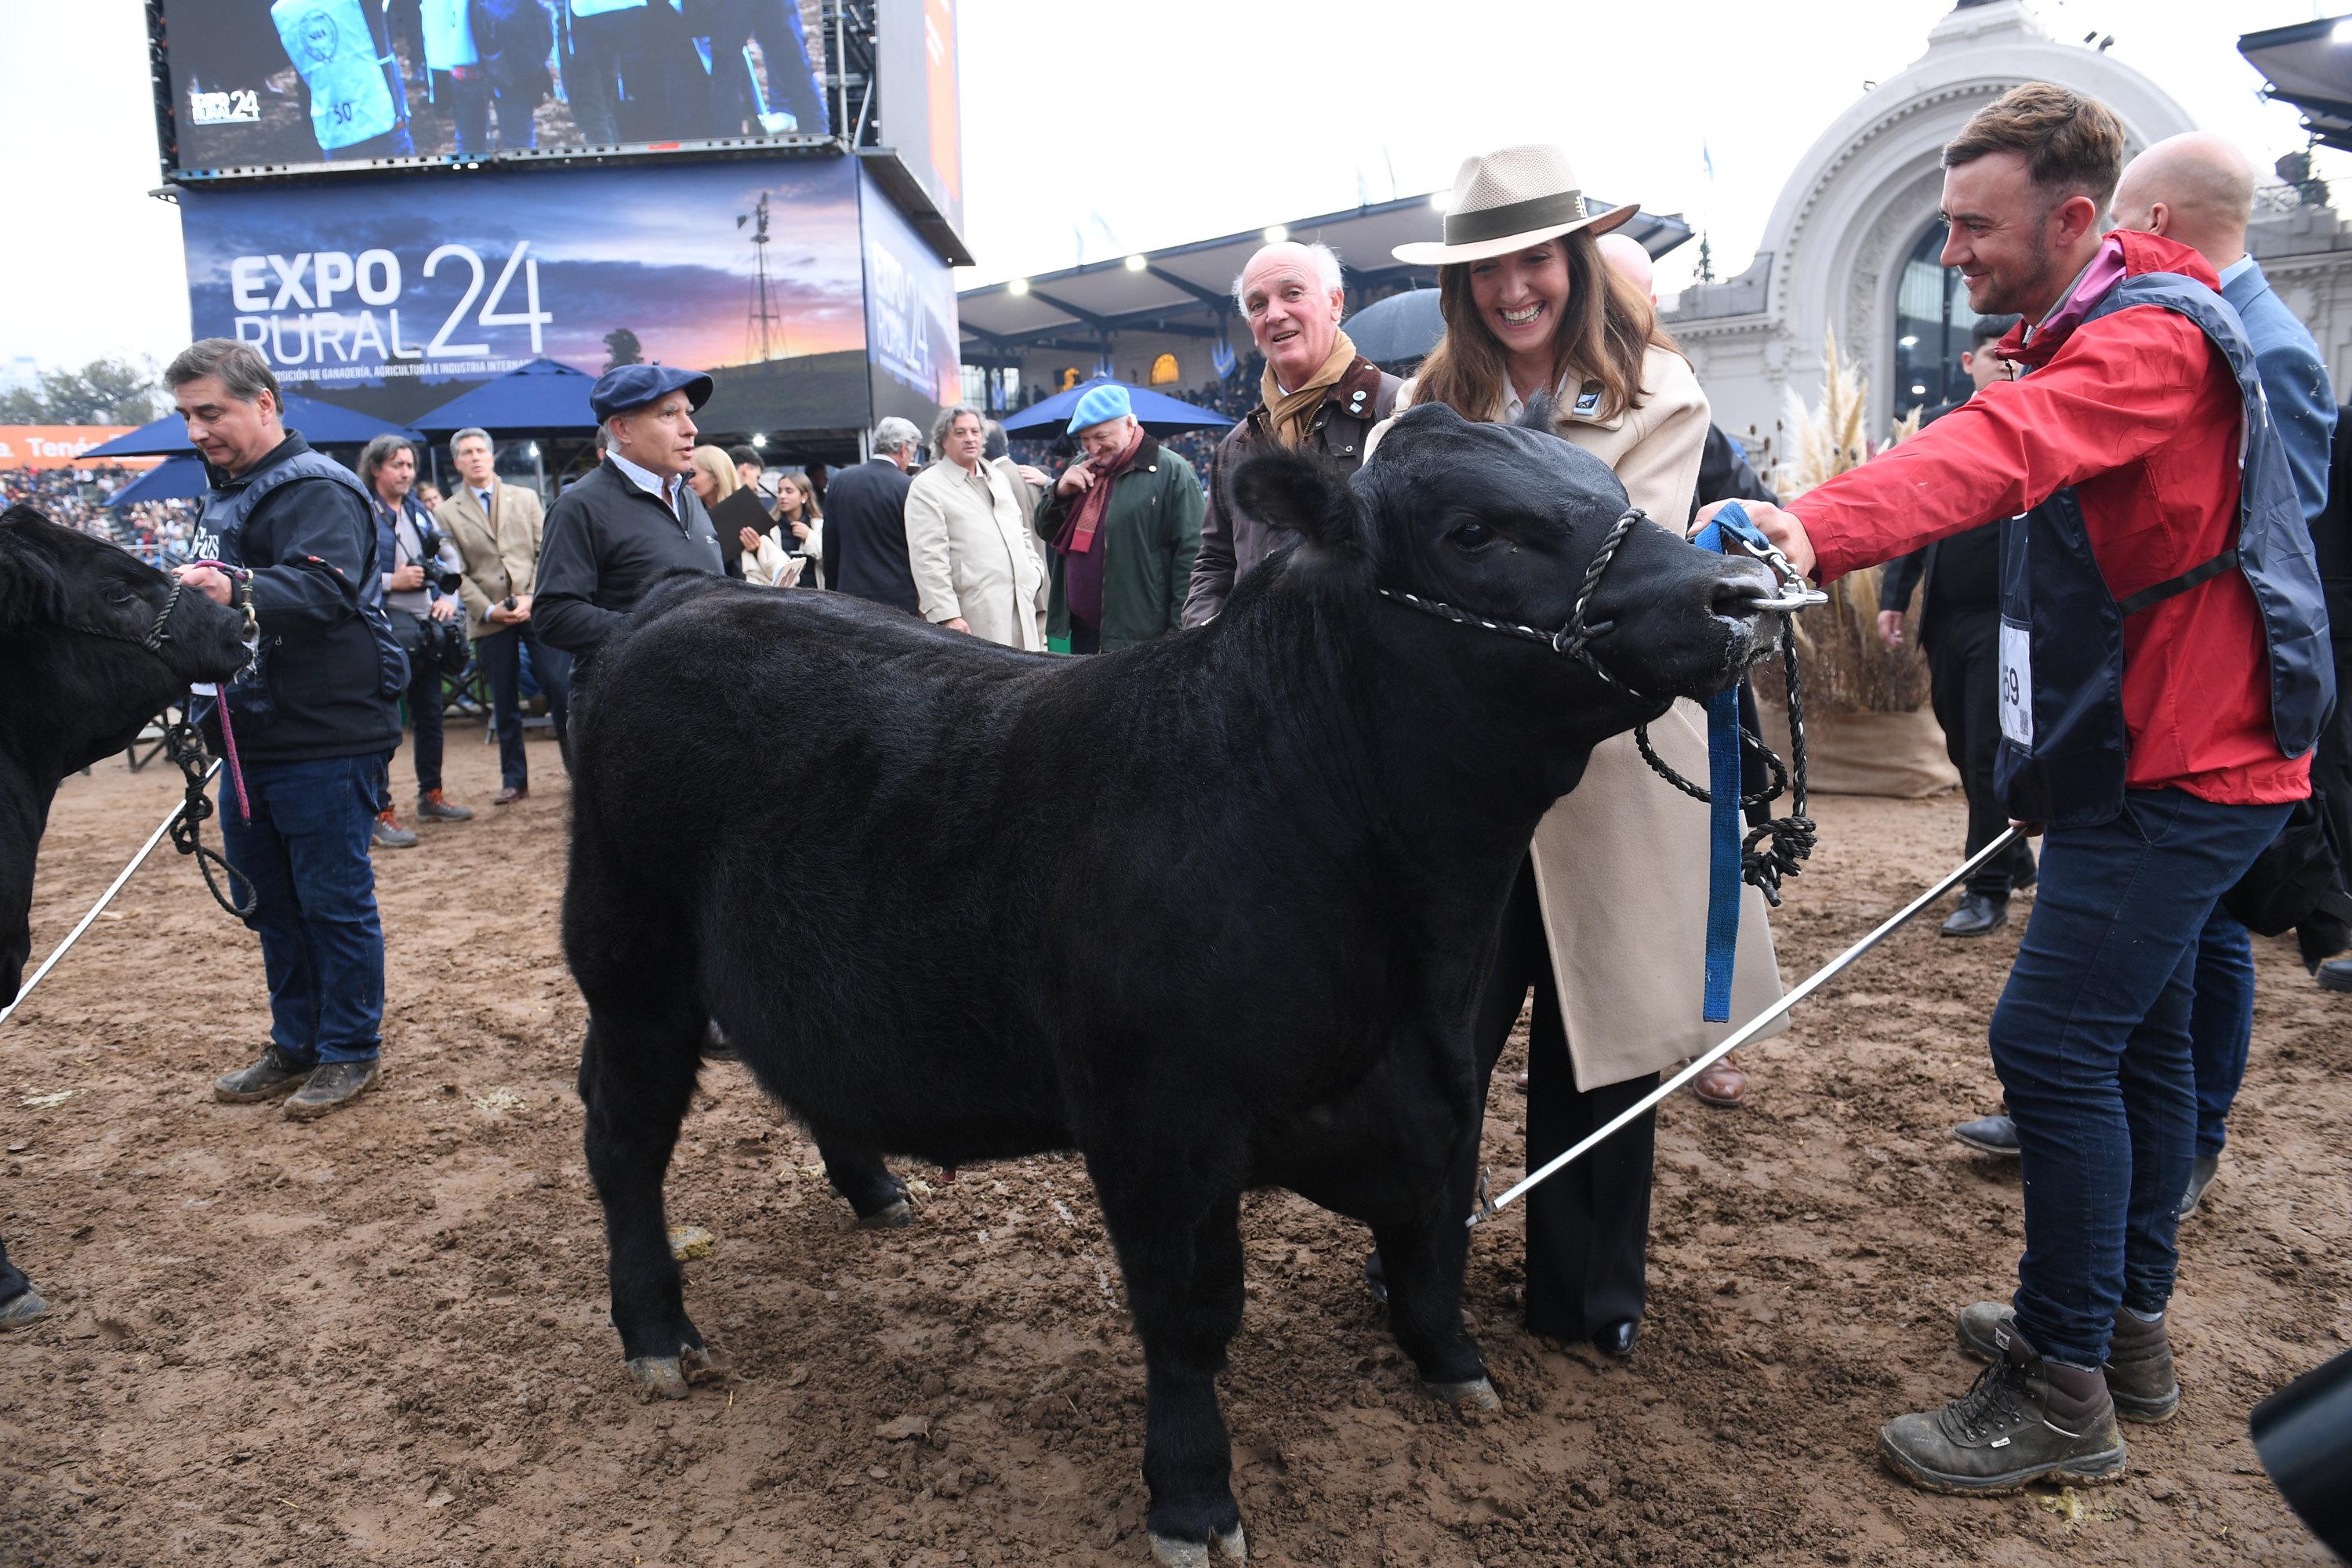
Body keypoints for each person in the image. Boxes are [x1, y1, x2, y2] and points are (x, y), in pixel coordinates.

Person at [1719, 84, 2330, 1494]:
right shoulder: (2127, 324)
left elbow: (1998, 457)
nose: (1951, 252)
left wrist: (1799, 522)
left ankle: (2060, 1391)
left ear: (2073, 218)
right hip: (2159, 750)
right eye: (1941, 224)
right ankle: (2123, 1333)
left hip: (2185, 762)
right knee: (2142, 1048)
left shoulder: (2151, 342)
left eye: (1973, 225)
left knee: (2052, 1046)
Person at [1359, 143, 1787, 1360]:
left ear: (1574, 263)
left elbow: (1626, 583)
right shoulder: (1418, 416)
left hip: (1613, 777)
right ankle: (1414, 1272)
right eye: (1487, 267)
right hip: (1455, 797)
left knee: (1606, 1042)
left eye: (1534, 259)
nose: (1512, 289)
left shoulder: (1658, 391)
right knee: (1435, 1038)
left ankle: (1587, 1296)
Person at [167, 339, 403, 1120]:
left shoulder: (316, 488)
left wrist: (230, 582)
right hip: (250, 733)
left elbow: (325, 588)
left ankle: (349, 1047)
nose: (197, 430)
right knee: (271, 900)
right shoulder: (226, 490)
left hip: (325, 736)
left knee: (332, 899)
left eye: (212, 411)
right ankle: (296, 1039)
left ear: (264, 402)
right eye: (187, 416)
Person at [1876, 315, 2038, 944]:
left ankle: (1987, 888)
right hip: (1945, 618)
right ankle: (2012, 857)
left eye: (2014, 356)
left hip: (2011, 623)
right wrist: (1897, 597)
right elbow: (1912, 510)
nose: (2006, 364)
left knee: (1986, 749)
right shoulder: (1944, 427)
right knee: (1960, 742)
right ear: (1970, 363)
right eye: (1997, 355)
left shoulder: (2036, 424)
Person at [1181, 241, 1401, 628]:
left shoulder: (1398, 410)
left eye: (1293, 293)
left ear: (1335, 303)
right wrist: (1205, 635)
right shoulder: (1236, 445)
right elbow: (1215, 561)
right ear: (1251, 327)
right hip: (1256, 674)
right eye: (1258, 305)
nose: (1275, 314)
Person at [533, 363, 732, 668]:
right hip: (632, 707)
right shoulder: (580, 505)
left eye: (688, 413)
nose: (690, 428)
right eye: (669, 414)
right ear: (622, 429)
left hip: (706, 695)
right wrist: (661, 636)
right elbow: (555, 615)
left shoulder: (688, 497)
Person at [436, 425, 565, 804]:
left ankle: (579, 773)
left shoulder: (525, 499)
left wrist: (532, 597)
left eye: (481, 451)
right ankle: (515, 780)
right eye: (468, 453)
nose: (476, 457)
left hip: (535, 609)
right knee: (504, 701)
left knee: (559, 688)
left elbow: (547, 552)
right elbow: (454, 571)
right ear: (457, 462)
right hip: (489, 617)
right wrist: (489, 609)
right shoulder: (446, 512)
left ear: (492, 457)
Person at [358, 434, 472, 847]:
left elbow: (449, 560)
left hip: (424, 633)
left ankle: (431, 795)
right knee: (386, 726)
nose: (406, 473)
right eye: (397, 466)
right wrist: (394, 580)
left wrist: (447, 595)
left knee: (430, 717)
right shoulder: (362, 511)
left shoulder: (420, 514)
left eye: (410, 466)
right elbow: (346, 572)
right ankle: (379, 810)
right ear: (376, 469)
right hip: (382, 633)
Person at [1036, 385, 1202, 653]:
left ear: (1128, 424)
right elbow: (1045, 529)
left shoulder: (1172, 471)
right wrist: (1059, 493)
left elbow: (1192, 557)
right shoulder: (1080, 465)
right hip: (1082, 634)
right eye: (1085, 439)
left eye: (1101, 436)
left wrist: (1180, 637)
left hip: (1141, 639)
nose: (1093, 448)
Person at [904, 405, 1050, 649]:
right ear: (943, 440)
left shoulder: (998, 477)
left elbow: (1020, 530)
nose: (970, 438)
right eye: (960, 433)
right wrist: (947, 615)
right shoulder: (927, 487)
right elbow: (928, 557)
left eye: (975, 431)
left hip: (1022, 605)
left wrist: (1033, 571)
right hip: (973, 615)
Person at [822, 417, 923, 613]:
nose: (911, 458)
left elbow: (830, 546)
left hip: (849, 598)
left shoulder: (839, 481)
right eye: (913, 452)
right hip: (899, 600)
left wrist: (832, 593)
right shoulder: (909, 487)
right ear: (904, 448)